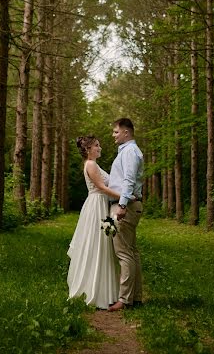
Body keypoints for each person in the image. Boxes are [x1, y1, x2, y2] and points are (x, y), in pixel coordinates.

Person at [67, 135, 121, 309]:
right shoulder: (90, 164)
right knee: (97, 244)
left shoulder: (93, 164)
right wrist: (125, 197)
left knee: (102, 245)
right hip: (96, 205)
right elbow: (102, 187)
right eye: (97, 146)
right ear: (88, 149)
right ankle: (93, 291)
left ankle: (102, 289)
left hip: (100, 204)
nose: (100, 148)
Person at [107, 118, 144, 312]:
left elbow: (129, 180)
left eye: (115, 132)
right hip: (127, 205)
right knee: (131, 251)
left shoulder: (129, 151)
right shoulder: (129, 151)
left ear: (126, 133)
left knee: (123, 252)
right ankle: (135, 297)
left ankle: (125, 299)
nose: (113, 135)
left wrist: (121, 205)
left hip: (125, 207)